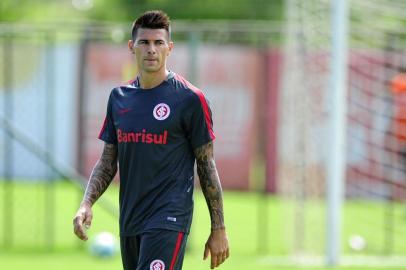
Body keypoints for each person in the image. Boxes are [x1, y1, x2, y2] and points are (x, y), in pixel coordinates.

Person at [72, 10, 230, 270]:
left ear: (170, 48)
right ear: (132, 47)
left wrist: (219, 228)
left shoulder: (190, 99)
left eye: (158, 43)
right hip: (131, 219)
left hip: (170, 218)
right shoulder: (119, 97)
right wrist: (86, 203)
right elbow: (108, 161)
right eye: (144, 42)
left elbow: (206, 164)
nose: (151, 50)